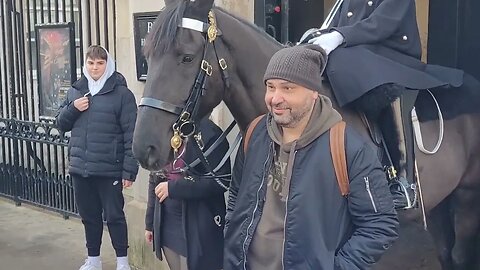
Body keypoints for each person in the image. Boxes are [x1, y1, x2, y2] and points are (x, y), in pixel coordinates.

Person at [224, 45, 399, 270]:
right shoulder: (255, 132)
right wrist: (232, 236)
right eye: (270, 87)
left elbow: (380, 224)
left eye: (288, 88)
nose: (275, 98)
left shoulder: (348, 148)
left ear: (313, 92)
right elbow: (237, 195)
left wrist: (337, 267)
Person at [299, 0, 465, 209]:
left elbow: (382, 24)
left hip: (391, 53)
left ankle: (403, 180)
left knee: (366, 74)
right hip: (356, 53)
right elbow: (340, 22)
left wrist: (340, 36)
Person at [56, 45, 138, 270]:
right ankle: (93, 260)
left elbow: (131, 134)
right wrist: (73, 108)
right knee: (89, 217)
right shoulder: (76, 90)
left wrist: (129, 171)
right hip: (81, 168)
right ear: (86, 64)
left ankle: (122, 262)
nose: (95, 68)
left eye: (100, 63)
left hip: (109, 168)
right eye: (91, 63)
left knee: (114, 217)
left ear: (107, 64)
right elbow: (60, 124)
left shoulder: (122, 94)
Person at [145, 117, 230, 270]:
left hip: (198, 224)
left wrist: (174, 188)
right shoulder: (162, 129)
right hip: (167, 221)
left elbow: (221, 181)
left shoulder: (211, 134)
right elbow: (154, 178)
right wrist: (150, 223)